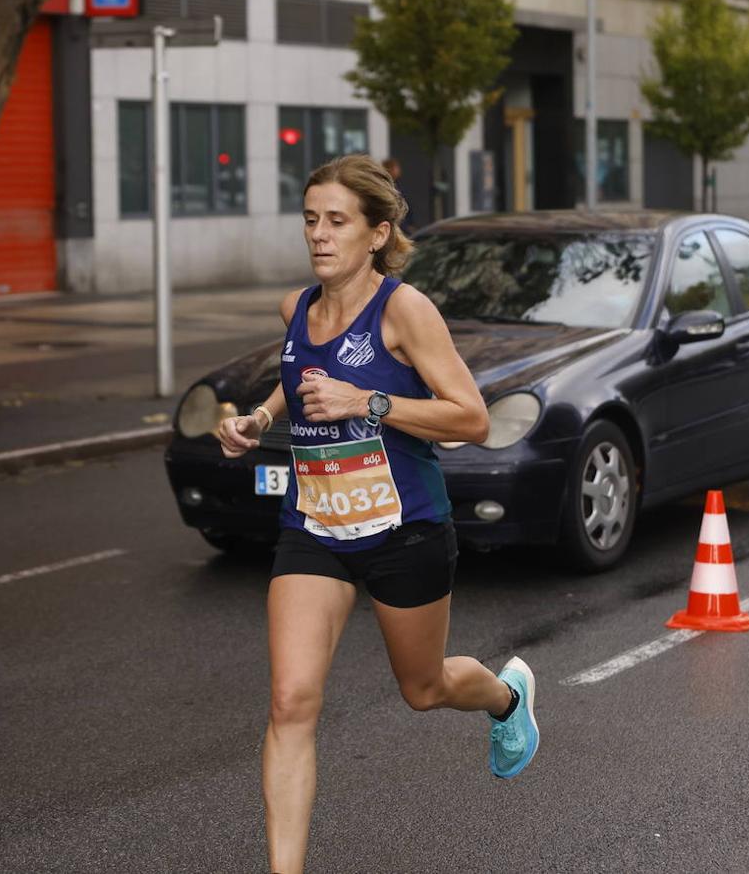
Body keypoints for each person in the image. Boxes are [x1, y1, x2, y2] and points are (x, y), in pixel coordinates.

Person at [216, 154, 540, 874]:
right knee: (290, 701)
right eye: (310, 220)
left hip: (407, 528)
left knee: (423, 690)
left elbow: (473, 420)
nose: (319, 236)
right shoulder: (295, 309)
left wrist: (370, 402)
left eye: (337, 222)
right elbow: (297, 377)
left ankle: (505, 697)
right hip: (316, 528)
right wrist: (256, 418)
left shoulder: (403, 310)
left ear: (377, 233)